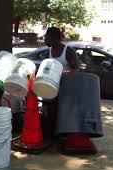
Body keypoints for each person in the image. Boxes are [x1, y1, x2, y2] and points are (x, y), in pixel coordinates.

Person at [43, 27, 103, 155]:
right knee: (51, 111)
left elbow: (76, 70)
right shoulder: (50, 50)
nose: (45, 39)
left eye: (47, 37)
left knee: (64, 113)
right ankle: (54, 136)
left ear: (55, 38)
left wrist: (64, 72)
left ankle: (65, 136)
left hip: (68, 90)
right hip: (54, 87)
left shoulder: (68, 51)